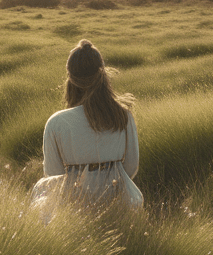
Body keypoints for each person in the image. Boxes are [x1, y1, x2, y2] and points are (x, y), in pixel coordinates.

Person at [31, 39, 143, 222]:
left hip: (73, 210)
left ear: (71, 78)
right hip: (119, 204)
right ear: (102, 74)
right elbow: (131, 166)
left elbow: (53, 175)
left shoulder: (56, 122)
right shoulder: (124, 116)